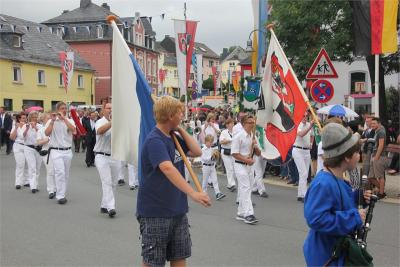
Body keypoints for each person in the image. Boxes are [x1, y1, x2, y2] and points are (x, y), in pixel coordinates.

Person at [137, 96, 211, 267]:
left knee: (179, 256)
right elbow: (168, 168)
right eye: (179, 112)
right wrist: (193, 193)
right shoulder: (155, 140)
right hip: (156, 212)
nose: (182, 114)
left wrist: (180, 130)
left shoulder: (174, 138)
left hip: (177, 209)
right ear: (170, 115)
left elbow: (197, 151)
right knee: (152, 262)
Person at [303, 122, 371, 267]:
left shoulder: (337, 178)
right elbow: (317, 219)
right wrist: (354, 217)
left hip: (336, 252)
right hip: (326, 256)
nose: (359, 156)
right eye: (357, 152)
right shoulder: (323, 183)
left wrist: (358, 197)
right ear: (346, 157)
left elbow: (338, 205)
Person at [45, 102, 76, 204]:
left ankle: (62, 192)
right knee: (60, 172)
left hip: (67, 150)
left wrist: (65, 119)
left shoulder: (70, 120)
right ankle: (60, 196)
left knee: (65, 174)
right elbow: (47, 133)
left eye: (65, 109)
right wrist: (52, 121)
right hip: (55, 150)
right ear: (57, 110)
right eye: (62, 108)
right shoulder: (51, 120)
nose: (64, 110)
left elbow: (74, 130)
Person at [231, 114, 260, 225]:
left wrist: (255, 146)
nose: (252, 124)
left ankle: (241, 212)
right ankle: (249, 214)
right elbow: (234, 153)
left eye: (253, 122)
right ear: (243, 124)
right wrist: (246, 160)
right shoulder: (238, 136)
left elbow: (258, 153)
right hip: (239, 165)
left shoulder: (253, 136)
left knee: (246, 189)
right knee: (246, 188)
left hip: (249, 166)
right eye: (250, 123)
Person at [93, 103, 120, 217]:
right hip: (101, 156)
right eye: (109, 108)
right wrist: (112, 122)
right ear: (103, 111)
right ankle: (111, 207)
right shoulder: (100, 121)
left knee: (113, 183)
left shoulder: (119, 122)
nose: (111, 110)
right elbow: (100, 131)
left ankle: (104, 205)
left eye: (113, 108)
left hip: (114, 156)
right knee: (107, 181)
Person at [292, 114, 313, 202]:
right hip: (298, 150)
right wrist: (310, 126)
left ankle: (300, 194)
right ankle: (304, 195)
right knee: (303, 173)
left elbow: (312, 135)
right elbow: (301, 134)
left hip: (307, 151)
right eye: (303, 116)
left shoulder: (309, 124)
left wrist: (311, 143)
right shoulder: (297, 125)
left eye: (305, 116)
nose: (304, 117)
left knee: (304, 173)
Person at [368, 117, 389, 199]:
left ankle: (381, 193)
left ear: (379, 123)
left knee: (380, 176)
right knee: (370, 177)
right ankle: (382, 191)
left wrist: (376, 157)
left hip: (379, 156)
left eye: (374, 123)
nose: (372, 125)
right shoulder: (378, 131)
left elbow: (381, 145)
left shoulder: (381, 131)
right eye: (371, 123)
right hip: (375, 156)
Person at [37, 112, 56, 199]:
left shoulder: (54, 128)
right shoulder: (41, 130)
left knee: (58, 171)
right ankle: (51, 190)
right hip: (46, 152)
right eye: (47, 118)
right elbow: (38, 142)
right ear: (43, 119)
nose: (49, 119)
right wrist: (46, 140)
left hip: (56, 152)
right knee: (50, 171)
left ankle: (57, 188)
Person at [201, 134, 226, 200]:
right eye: (209, 142)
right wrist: (212, 156)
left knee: (215, 180)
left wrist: (216, 157)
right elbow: (205, 159)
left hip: (212, 166)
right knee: (205, 181)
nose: (210, 143)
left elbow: (214, 159)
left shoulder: (212, 149)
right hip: (206, 167)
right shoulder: (203, 149)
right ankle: (204, 193)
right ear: (205, 142)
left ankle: (218, 193)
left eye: (211, 142)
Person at [23, 111, 42, 193]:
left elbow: (42, 135)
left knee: (37, 168)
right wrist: (27, 128)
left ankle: (36, 184)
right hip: (28, 148)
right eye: (33, 117)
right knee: (32, 167)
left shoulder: (40, 126)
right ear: (30, 118)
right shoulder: (25, 126)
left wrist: (35, 128)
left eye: (36, 117)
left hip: (38, 148)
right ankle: (33, 186)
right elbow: (22, 136)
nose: (34, 119)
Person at [9, 113, 28, 189]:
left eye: (25, 118)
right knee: (20, 164)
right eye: (23, 118)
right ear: (19, 119)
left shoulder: (28, 126)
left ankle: (27, 181)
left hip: (27, 146)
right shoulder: (15, 126)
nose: (25, 119)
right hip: (18, 146)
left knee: (28, 164)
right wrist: (16, 128)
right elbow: (12, 138)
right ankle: (18, 182)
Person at [219, 118, 236, 191]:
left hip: (233, 152)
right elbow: (221, 142)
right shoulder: (224, 132)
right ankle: (232, 184)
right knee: (229, 168)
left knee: (234, 169)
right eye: (231, 123)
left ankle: (230, 184)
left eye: (233, 123)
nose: (232, 125)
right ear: (227, 125)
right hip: (225, 152)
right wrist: (230, 140)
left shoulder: (236, 132)